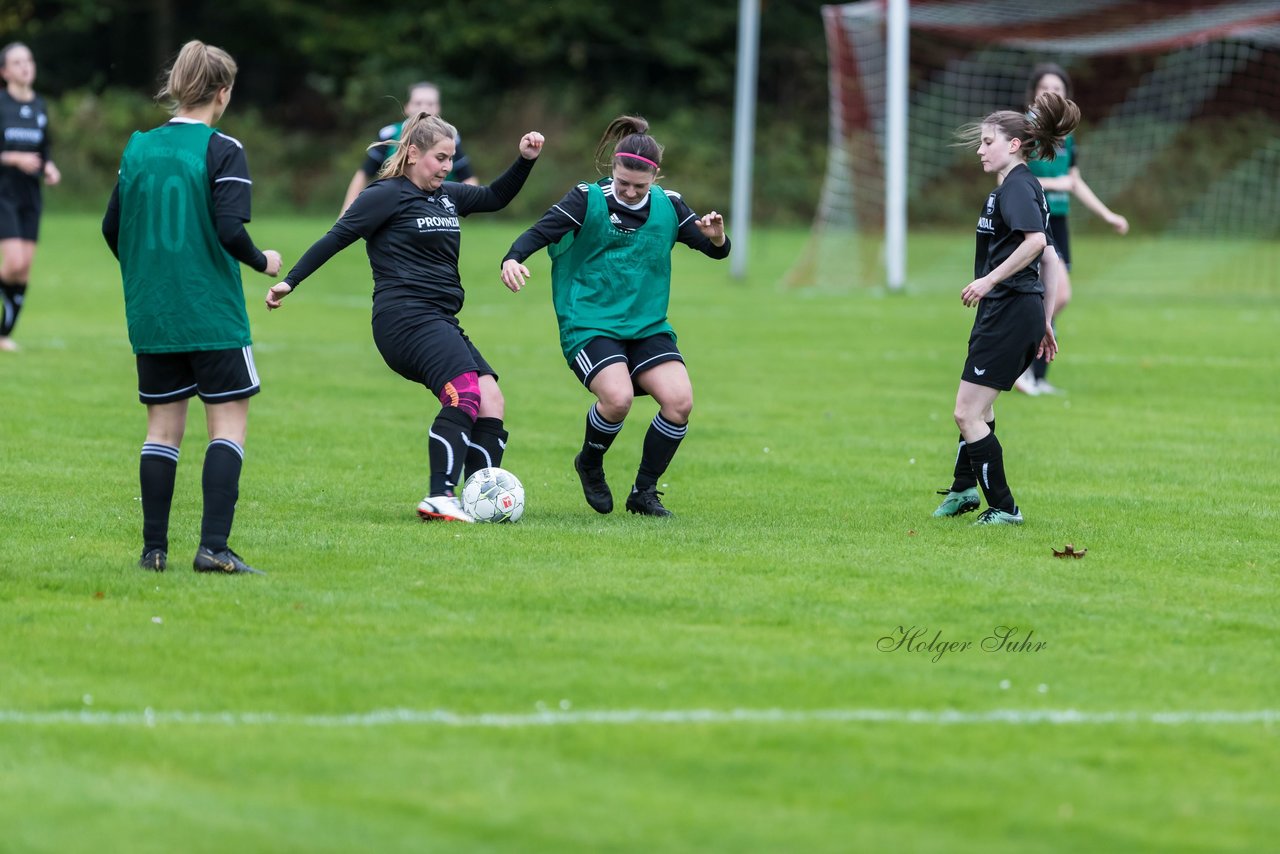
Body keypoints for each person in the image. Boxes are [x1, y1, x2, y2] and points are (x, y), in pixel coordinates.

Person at [267, 113, 544, 523]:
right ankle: (440, 495)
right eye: (439, 158)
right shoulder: (385, 195)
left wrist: (524, 160)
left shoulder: (447, 195)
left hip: (439, 318)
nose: (447, 167)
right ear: (413, 154)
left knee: (490, 399)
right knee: (463, 392)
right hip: (404, 319)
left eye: (451, 158)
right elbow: (336, 237)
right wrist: (291, 281)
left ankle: (475, 499)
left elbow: (493, 197)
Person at [102, 40, 283, 574]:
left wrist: (148, 270)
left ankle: (153, 552)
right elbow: (230, 230)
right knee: (226, 428)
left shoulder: (137, 148)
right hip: (212, 312)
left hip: (154, 314)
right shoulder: (223, 148)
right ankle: (213, 549)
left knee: (162, 432)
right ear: (222, 93)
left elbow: (113, 228)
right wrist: (263, 261)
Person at [500, 115, 731, 518]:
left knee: (679, 402)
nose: (628, 191)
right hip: (589, 324)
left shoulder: (669, 206)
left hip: (646, 326)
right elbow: (539, 233)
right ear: (614, 169)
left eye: (638, 186)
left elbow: (716, 251)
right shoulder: (586, 199)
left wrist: (716, 237)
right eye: (622, 181)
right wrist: (513, 258)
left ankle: (643, 493)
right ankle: (590, 462)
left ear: (654, 179)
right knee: (618, 398)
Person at [932, 91, 1079, 526]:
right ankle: (963, 489)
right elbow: (1050, 258)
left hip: (1009, 308)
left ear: (1013, 145)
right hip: (1011, 310)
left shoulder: (1017, 187)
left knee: (967, 412)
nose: (980, 149)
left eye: (987, 141)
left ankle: (1005, 507)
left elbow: (1037, 245)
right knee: (981, 408)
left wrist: (988, 280)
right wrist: (1047, 319)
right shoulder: (1017, 188)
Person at [1014, 63, 1129, 396]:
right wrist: (1055, 183)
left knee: (1051, 300)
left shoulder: (1067, 135)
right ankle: (1019, 365)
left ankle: (1036, 377)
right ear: (1033, 94)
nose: (1051, 93)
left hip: (1058, 223)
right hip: (1033, 223)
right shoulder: (1025, 129)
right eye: (1044, 87)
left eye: (1058, 89)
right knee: (1057, 295)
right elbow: (1010, 178)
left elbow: (1075, 183)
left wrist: (1108, 215)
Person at [339, 81, 478, 217]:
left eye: (430, 103)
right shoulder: (389, 134)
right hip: (394, 211)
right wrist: (347, 211)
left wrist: (455, 207)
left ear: (438, 108)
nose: (424, 108)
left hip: (434, 213)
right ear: (407, 107)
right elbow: (363, 174)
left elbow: (468, 179)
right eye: (418, 103)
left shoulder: (451, 138)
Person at [0, 42, 61, 352]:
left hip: (31, 197)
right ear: (5, 71)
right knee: (13, 262)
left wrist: (49, 167)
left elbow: (44, 150)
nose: (25, 66)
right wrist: (13, 159)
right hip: (4, 195)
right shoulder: (1, 105)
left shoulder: (39, 105)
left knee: (23, 269)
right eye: (17, 62)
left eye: (29, 60)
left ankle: (3, 334)